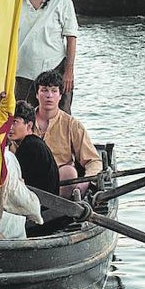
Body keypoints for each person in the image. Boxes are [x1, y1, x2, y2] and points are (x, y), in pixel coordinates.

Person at [16, 0, 78, 113]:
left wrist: (69, 70)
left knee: (58, 118)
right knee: (23, 118)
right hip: (22, 70)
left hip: (54, 67)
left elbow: (71, 35)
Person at [33, 70, 102, 199]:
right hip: (30, 180)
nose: (49, 95)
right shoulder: (24, 122)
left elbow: (93, 161)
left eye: (54, 91)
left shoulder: (72, 124)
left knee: (68, 172)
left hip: (61, 183)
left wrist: (85, 182)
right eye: (44, 90)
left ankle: (58, 212)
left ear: (60, 95)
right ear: (37, 94)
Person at [6, 101, 59, 197]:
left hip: (42, 203)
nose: (10, 127)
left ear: (29, 125)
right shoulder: (34, 143)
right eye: (8, 121)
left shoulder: (29, 146)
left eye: (15, 122)